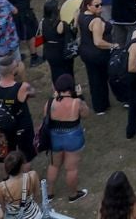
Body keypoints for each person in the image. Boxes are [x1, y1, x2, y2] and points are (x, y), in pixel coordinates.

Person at [44, 73, 90, 204]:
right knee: (71, 168)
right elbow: (86, 114)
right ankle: (73, 194)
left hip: (54, 137)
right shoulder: (76, 102)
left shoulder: (49, 103)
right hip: (73, 137)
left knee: (53, 165)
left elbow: (45, 119)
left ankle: (49, 193)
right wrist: (80, 96)